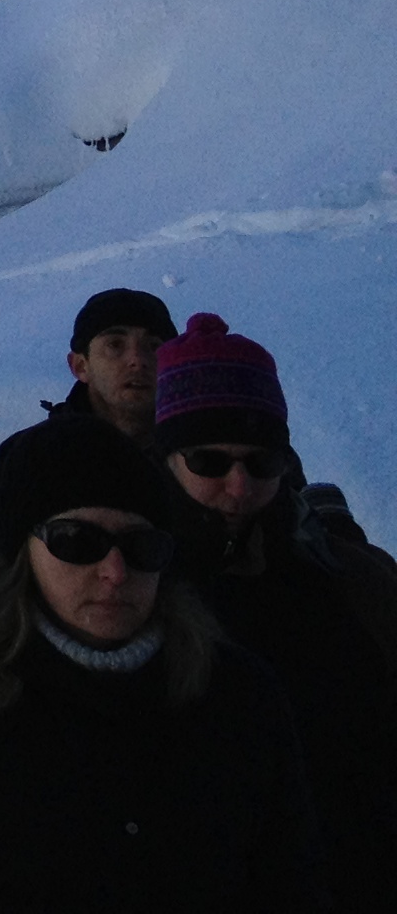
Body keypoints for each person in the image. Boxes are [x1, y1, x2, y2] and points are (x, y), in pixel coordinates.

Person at [0, 413, 327, 911]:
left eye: (142, 546)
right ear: (23, 551)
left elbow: (293, 884)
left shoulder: (240, 698)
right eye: (77, 541)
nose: (116, 572)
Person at [150, 313, 397, 914]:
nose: (238, 486)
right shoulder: (124, 583)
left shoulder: (346, 579)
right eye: (210, 461)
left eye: (261, 464)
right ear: (167, 458)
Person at [0, 286, 175, 597]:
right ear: (80, 366)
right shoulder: (26, 459)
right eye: (115, 345)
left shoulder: (203, 462)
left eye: (154, 346)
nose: (138, 360)